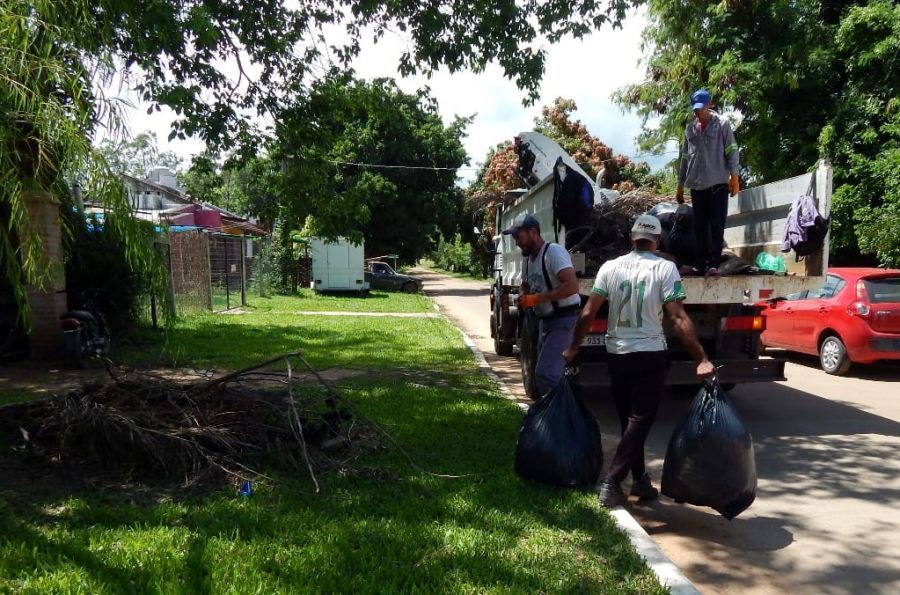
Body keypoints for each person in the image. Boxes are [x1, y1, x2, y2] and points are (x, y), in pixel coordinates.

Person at [562, 214, 716, 508]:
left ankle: (641, 480)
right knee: (640, 420)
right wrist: (701, 358)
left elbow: (588, 313)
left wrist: (573, 347)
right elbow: (678, 317)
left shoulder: (610, 267)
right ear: (658, 241)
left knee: (629, 420)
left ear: (631, 239)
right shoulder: (665, 268)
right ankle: (612, 482)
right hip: (650, 352)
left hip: (617, 353)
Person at [503, 213, 580, 396]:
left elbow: (572, 286)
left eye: (519, 237)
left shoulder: (553, 253)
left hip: (564, 319)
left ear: (533, 233)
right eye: (515, 238)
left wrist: (537, 299)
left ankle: (560, 411)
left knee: (546, 374)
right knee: (545, 374)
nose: (517, 243)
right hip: (544, 321)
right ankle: (555, 408)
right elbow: (525, 285)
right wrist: (523, 296)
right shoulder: (527, 260)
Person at [676, 88, 740, 276]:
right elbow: (684, 157)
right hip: (697, 185)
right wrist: (680, 184)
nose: (698, 112)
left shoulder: (722, 124)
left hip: (718, 183)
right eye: (695, 109)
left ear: (710, 104)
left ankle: (713, 264)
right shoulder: (690, 129)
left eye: (701, 108)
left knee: (716, 224)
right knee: (700, 226)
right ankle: (700, 264)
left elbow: (732, 150)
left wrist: (734, 176)